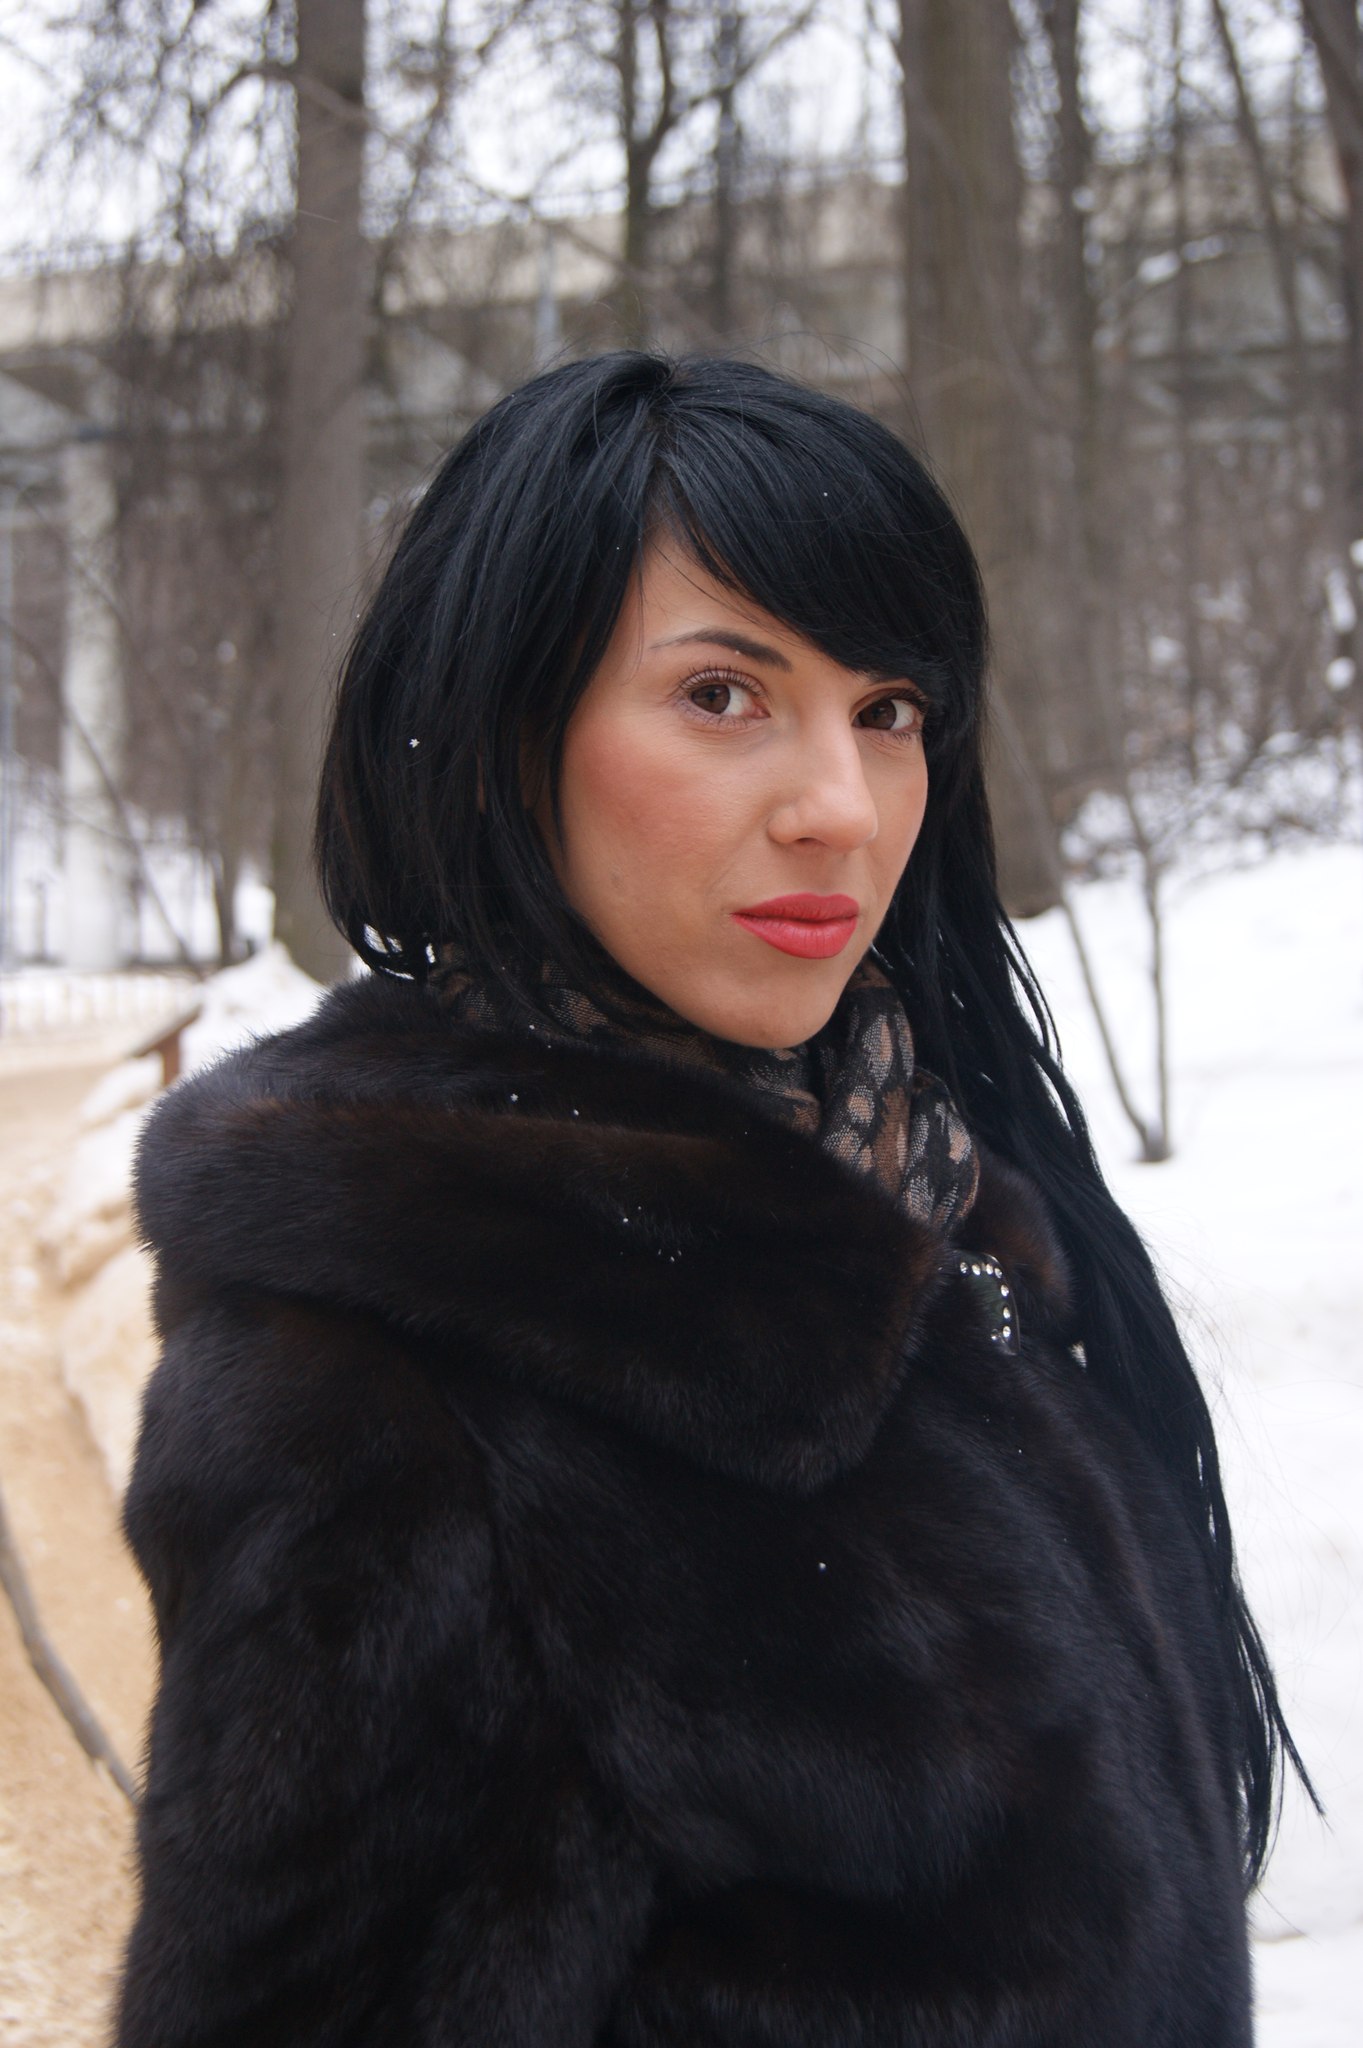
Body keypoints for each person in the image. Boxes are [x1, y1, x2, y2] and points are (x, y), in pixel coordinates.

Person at [114, 352, 1304, 2048]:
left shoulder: (919, 1188)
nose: (842, 809)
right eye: (725, 694)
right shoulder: (386, 1375)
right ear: (504, 737)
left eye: (888, 711)